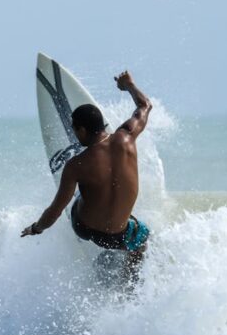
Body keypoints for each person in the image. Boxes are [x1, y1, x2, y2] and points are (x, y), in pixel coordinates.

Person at [21, 70, 152, 279]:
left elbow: (56, 210)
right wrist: (128, 85)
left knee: (80, 196)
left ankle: (86, 198)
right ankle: (129, 282)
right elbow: (145, 105)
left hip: (86, 229)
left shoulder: (76, 165)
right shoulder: (127, 136)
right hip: (120, 236)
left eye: (74, 130)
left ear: (81, 130)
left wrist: (36, 228)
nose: (74, 133)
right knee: (143, 239)